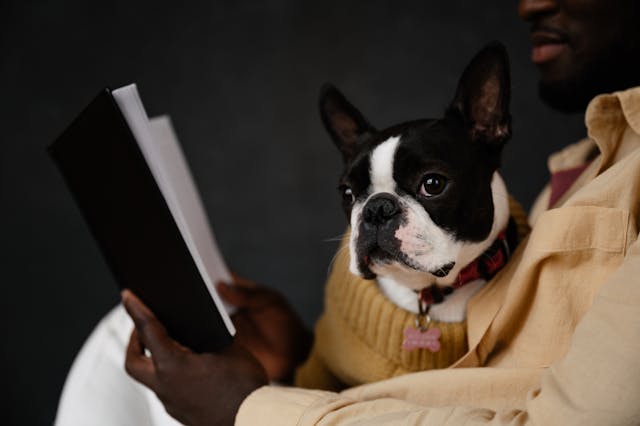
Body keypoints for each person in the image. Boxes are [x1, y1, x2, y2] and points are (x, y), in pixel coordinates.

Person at [57, 0, 640, 424]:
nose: (529, 4)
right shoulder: (577, 172)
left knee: (120, 345)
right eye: (356, 197)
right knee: (128, 332)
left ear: (490, 129)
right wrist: (299, 353)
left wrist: (248, 406)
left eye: (431, 184)